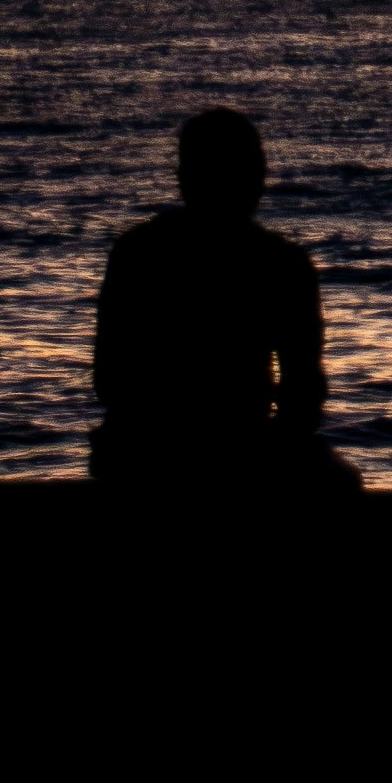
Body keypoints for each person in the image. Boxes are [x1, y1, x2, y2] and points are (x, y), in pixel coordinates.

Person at [91, 106, 359, 511]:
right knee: (340, 482)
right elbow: (302, 395)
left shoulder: (136, 252)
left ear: (184, 178)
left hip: (139, 454)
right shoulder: (281, 263)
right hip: (238, 452)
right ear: (255, 177)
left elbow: (110, 380)